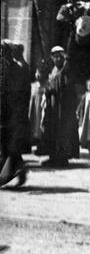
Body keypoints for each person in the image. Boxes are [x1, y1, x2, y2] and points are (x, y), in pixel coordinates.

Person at [41, 45, 80, 167]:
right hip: (53, 106)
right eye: (55, 56)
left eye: (60, 56)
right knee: (52, 130)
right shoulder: (53, 70)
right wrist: (48, 91)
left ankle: (62, 158)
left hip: (63, 108)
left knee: (62, 131)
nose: (57, 59)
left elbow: (69, 88)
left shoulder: (67, 70)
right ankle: (52, 156)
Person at [1, 40, 30, 187]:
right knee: (8, 145)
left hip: (8, 113)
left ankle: (18, 169)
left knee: (7, 145)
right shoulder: (14, 68)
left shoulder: (11, 69)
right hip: (11, 112)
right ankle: (19, 169)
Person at [29, 66, 47, 150]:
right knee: (34, 124)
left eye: (40, 73)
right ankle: (34, 141)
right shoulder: (33, 86)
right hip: (34, 109)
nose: (38, 75)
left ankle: (41, 144)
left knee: (41, 124)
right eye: (37, 73)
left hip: (42, 108)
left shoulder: (47, 85)